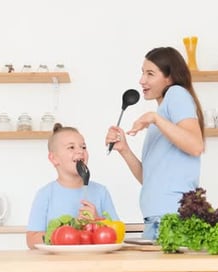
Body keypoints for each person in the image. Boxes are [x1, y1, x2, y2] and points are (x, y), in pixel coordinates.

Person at [105, 46, 205, 243]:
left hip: (170, 219)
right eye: (142, 72)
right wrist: (124, 149)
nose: (142, 80)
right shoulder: (161, 119)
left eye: (150, 73)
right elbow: (148, 178)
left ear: (169, 78)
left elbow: (195, 145)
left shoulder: (176, 94)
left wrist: (154, 118)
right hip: (157, 219)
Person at [27, 123, 120, 251]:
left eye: (83, 147)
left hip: (95, 266)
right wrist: (66, 233)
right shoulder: (45, 194)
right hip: (56, 266)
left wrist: (97, 221)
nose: (80, 151)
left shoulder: (101, 192)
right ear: (54, 158)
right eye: (71, 147)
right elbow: (31, 239)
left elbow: (117, 234)